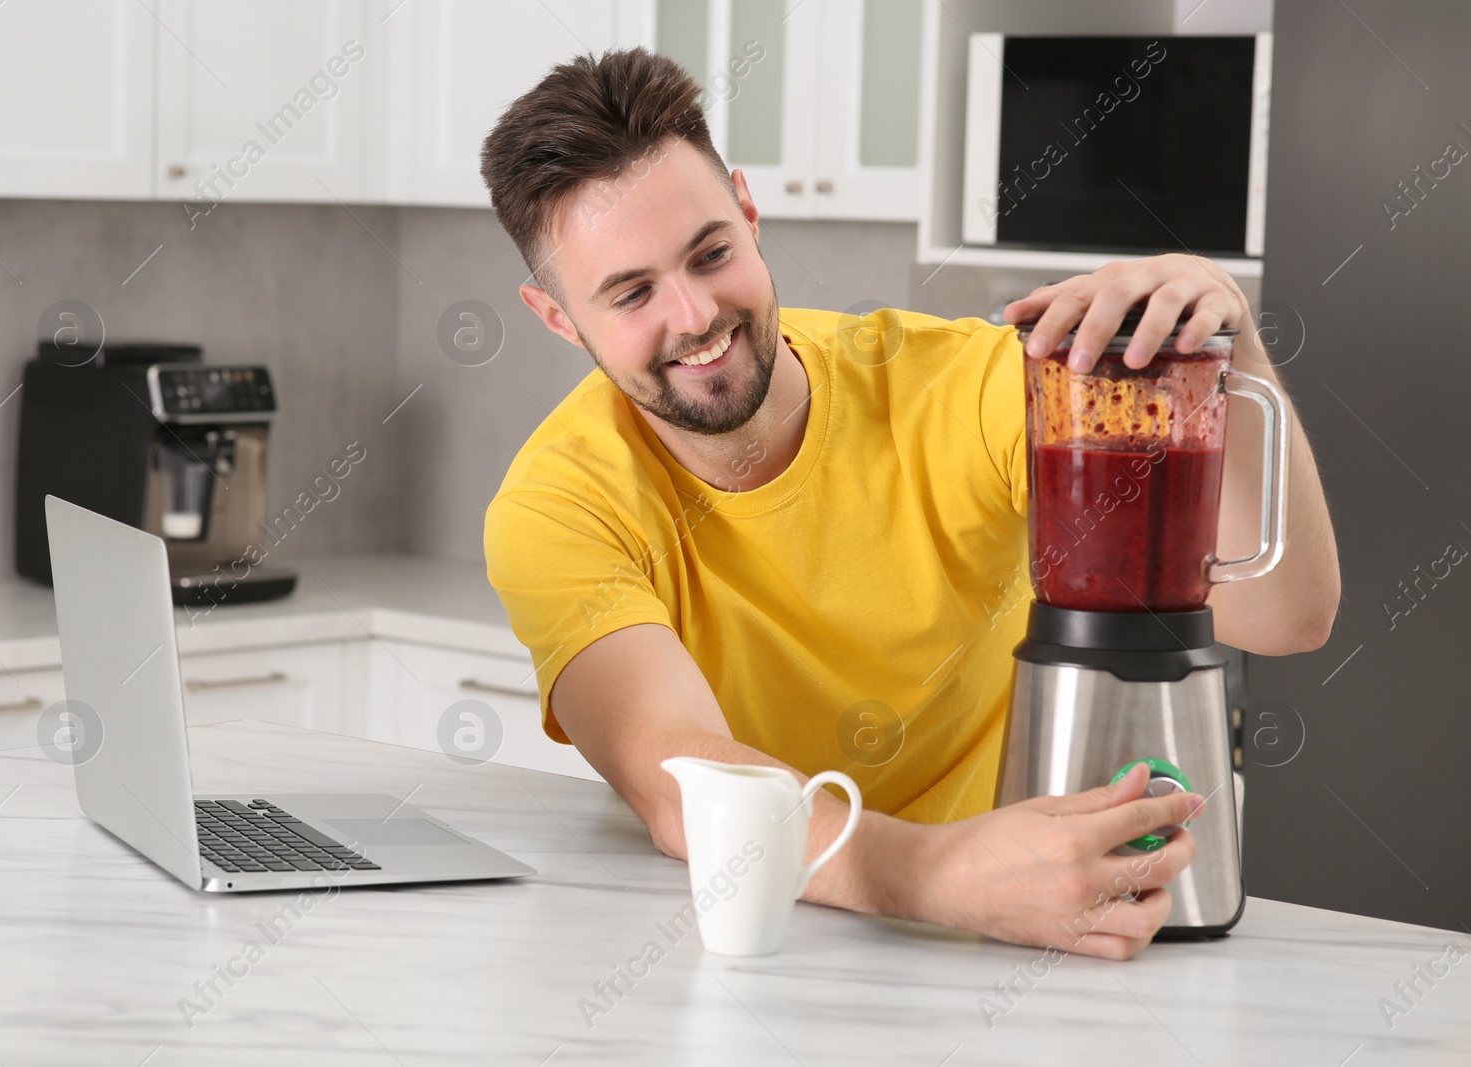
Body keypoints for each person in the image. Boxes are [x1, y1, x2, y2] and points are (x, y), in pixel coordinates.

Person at [477, 48, 1340, 960]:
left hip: (1043, 930)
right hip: (766, 938)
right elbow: (679, 774)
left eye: (712, 252)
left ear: (749, 209)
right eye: (632, 292)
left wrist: (1230, 351)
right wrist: (927, 875)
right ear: (558, 317)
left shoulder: (958, 386)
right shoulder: (555, 506)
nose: (693, 315)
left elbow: (1287, 614)